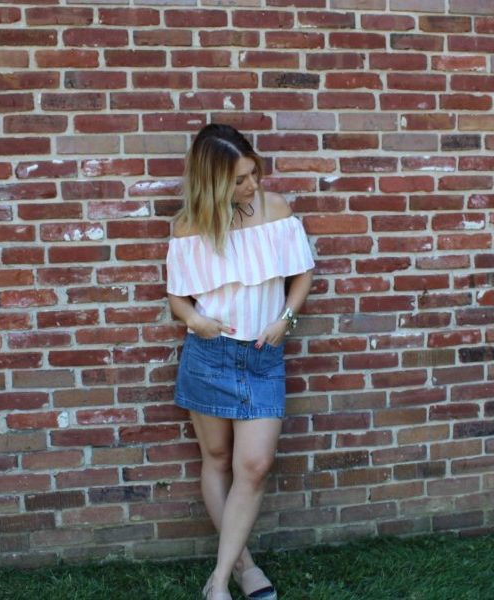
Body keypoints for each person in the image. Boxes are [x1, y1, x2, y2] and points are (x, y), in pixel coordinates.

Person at [165, 123, 315, 600]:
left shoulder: (276, 211)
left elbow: (302, 276)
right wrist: (197, 321)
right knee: (216, 459)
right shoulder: (188, 227)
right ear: (213, 182)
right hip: (209, 355)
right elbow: (178, 299)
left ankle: (216, 579)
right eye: (239, 180)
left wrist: (285, 320)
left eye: (253, 173)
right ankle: (241, 572)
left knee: (255, 464)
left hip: (262, 355)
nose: (253, 185)